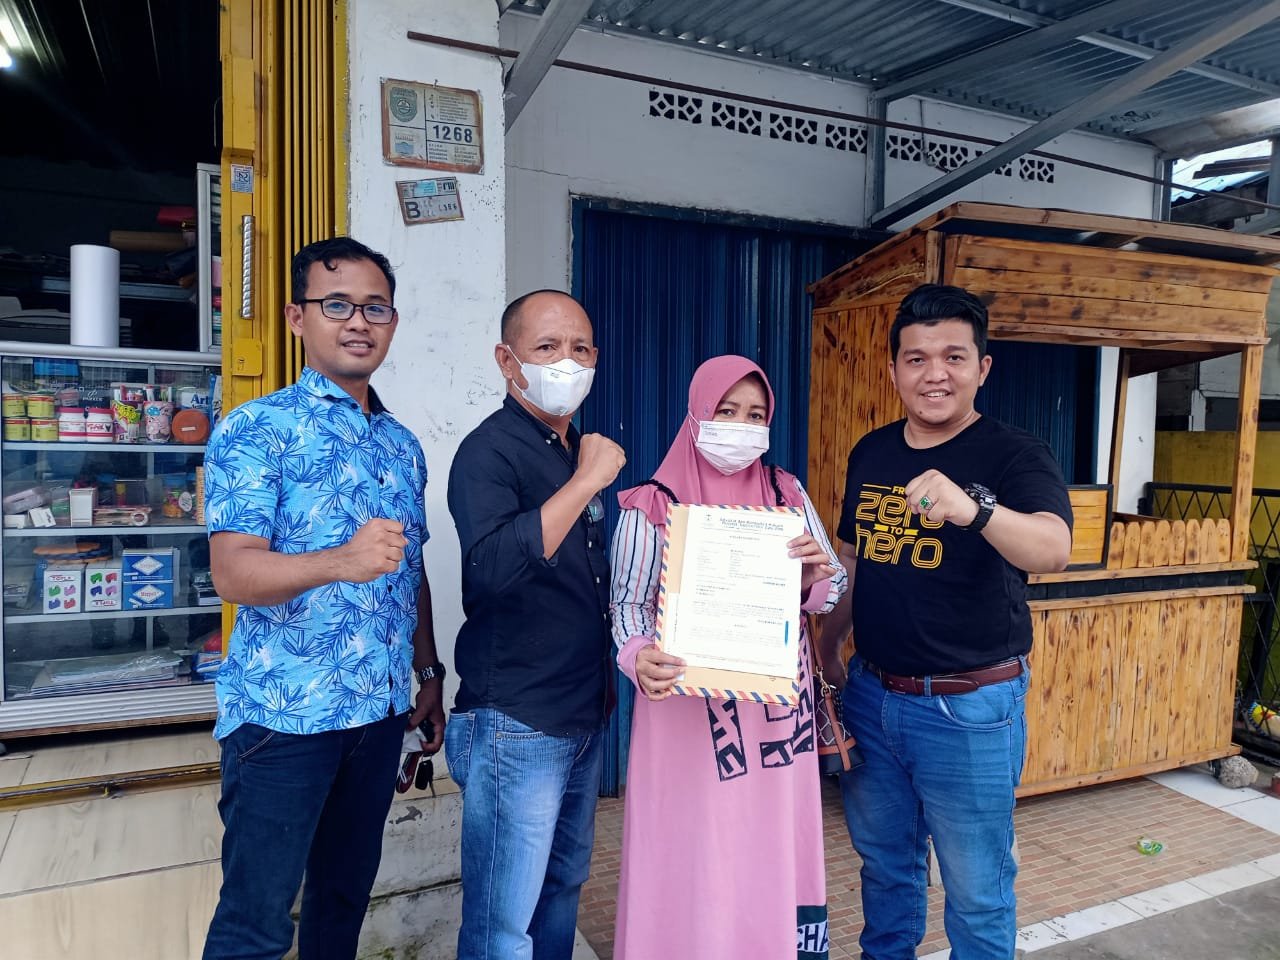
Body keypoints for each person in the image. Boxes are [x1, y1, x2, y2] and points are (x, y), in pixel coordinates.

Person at [201, 237, 444, 960]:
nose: (358, 322)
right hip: (285, 720)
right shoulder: (256, 429)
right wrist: (341, 560)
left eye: (375, 307)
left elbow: (410, 570)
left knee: (341, 906)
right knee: (255, 923)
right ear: (297, 318)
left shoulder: (401, 444)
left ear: (392, 321)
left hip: (377, 715)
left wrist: (428, 673)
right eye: (336, 305)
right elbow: (233, 574)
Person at [821, 283, 1073, 960]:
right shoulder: (872, 451)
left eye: (954, 357)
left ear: (982, 368)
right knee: (885, 869)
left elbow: (1053, 548)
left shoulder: (1015, 453)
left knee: (977, 888)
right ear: (894, 370)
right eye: (917, 358)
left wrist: (976, 511)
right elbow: (856, 559)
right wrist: (829, 647)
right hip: (872, 695)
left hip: (969, 709)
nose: (935, 374)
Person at [610, 355, 847, 960]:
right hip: (684, 723)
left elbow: (834, 584)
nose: (741, 427)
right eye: (726, 411)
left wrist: (811, 580)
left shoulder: (786, 492)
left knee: (765, 845)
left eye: (756, 415)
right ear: (696, 414)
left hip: (773, 724)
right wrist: (638, 656)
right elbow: (627, 609)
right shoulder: (652, 504)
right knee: (694, 847)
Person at [444, 289, 624, 960]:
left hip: (581, 713)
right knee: (502, 922)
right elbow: (490, 569)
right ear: (507, 359)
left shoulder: (572, 449)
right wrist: (586, 483)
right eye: (546, 347)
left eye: (580, 348)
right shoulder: (489, 452)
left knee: (560, 891)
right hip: (516, 723)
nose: (566, 362)